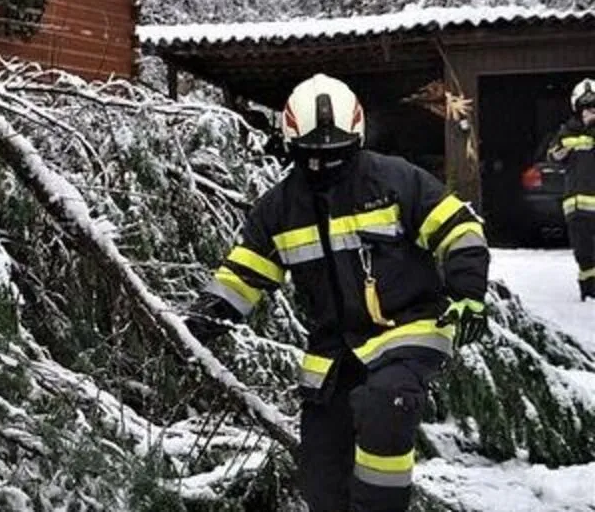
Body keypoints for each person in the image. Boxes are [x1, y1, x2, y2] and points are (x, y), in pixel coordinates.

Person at [186, 73, 490, 512]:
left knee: (386, 402)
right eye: (311, 156)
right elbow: (244, 274)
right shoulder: (278, 209)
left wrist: (468, 292)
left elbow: (458, 228)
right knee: (322, 470)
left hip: (410, 328)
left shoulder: (396, 180)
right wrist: (203, 320)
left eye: (335, 155)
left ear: (356, 137)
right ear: (292, 145)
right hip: (333, 351)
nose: (324, 165)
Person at [548, 78, 595, 301]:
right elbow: (553, 154)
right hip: (575, 206)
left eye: (593, 106)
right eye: (586, 107)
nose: (590, 111)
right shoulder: (567, 131)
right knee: (583, 253)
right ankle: (589, 293)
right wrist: (561, 149)